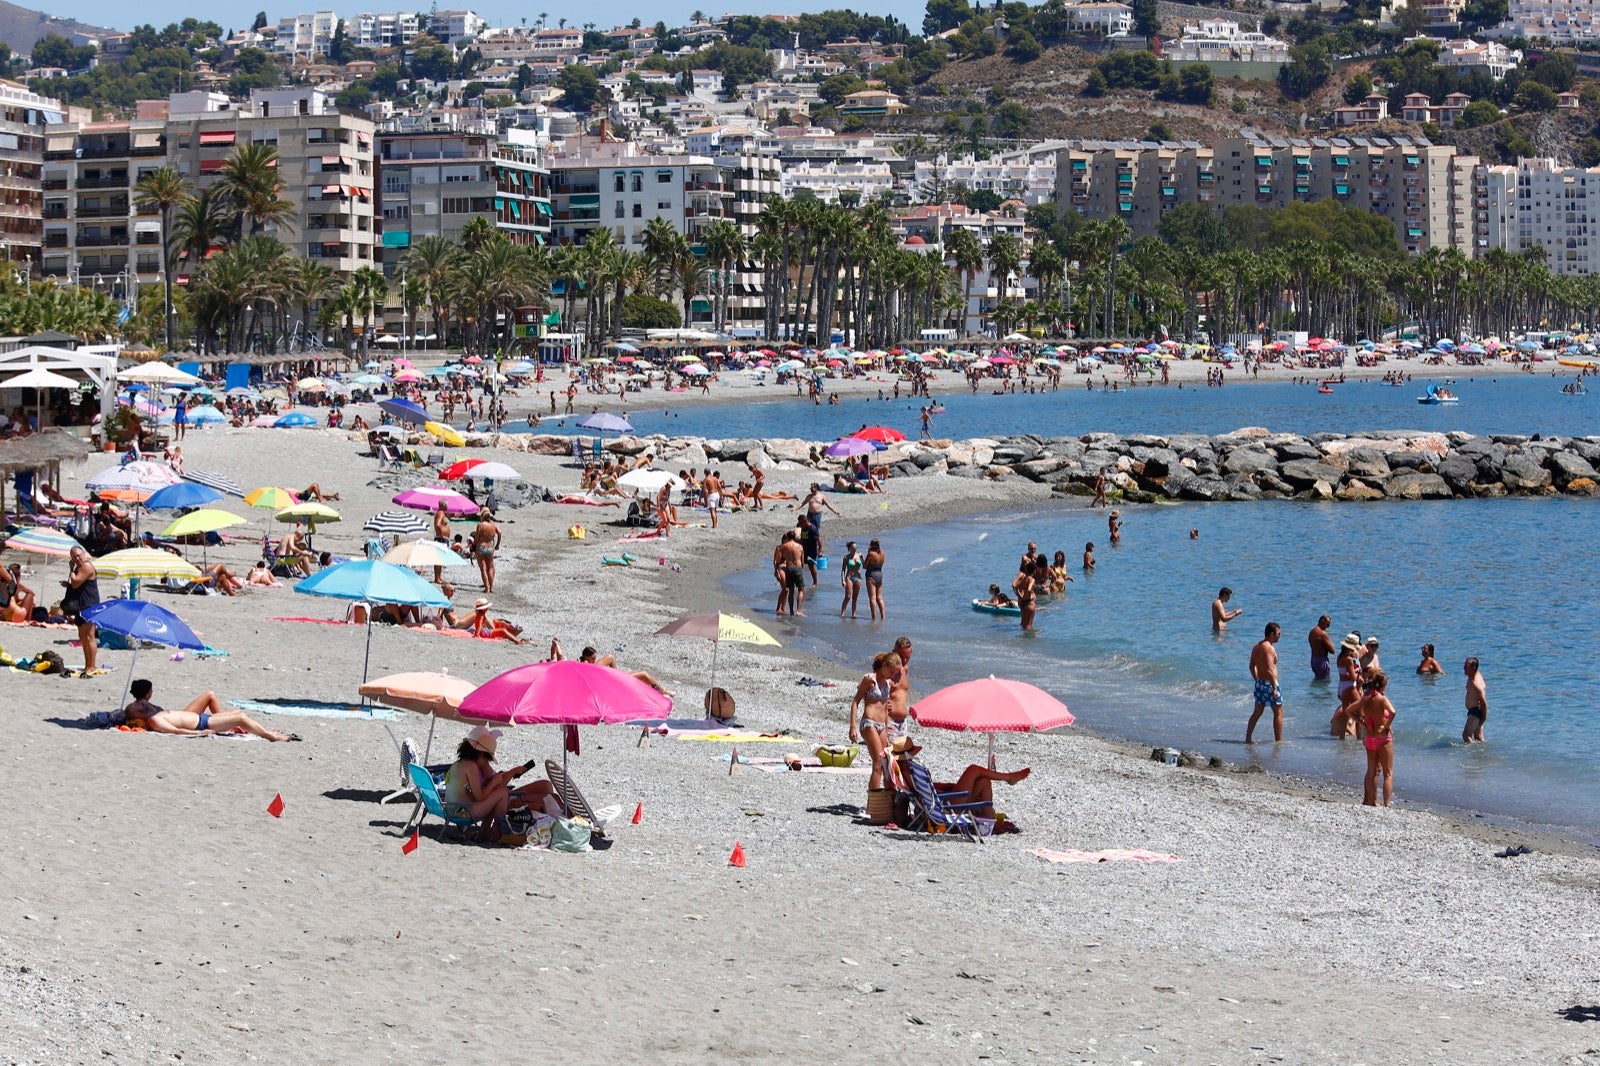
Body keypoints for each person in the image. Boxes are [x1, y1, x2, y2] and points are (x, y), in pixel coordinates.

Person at [889, 736, 1029, 821]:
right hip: (946, 807)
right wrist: (951, 790)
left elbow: (928, 789)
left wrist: (951, 786)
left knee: (983, 781)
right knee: (973, 769)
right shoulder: (909, 770)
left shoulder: (907, 770)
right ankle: (1008, 777)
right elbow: (927, 794)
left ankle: (988, 821)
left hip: (941, 801)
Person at [443, 726, 544, 841]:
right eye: (486, 760)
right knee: (502, 793)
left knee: (497, 794)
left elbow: (469, 793)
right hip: (463, 812)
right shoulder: (472, 767)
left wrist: (493, 782)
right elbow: (479, 796)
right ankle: (497, 829)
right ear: (480, 754)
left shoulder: (459, 764)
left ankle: (487, 829)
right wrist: (494, 782)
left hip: (452, 809)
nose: (485, 763)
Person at [125, 679, 298, 741]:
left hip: (187, 716)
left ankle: (228, 723)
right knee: (241, 716)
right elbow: (177, 731)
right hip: (200, 723)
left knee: (210, 695)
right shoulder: (152, 718)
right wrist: (200, 733)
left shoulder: (142, 710)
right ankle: (272, 736)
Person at [848, 650, 902, 790]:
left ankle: (886, 800)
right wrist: (852, 726)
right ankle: (872, 805)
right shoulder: (869, 680)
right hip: (869, 722)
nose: (893, 675)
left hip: (881, 726)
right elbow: (855, 702)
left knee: (886, 762)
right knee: (877, 762)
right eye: (891, 672)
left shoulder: (888, 683)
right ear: (884, 665)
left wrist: (887, 727)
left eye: (895, 673)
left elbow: (884, 709)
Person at [1355, 670, 1396, 807]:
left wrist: (1362, 722)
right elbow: (1393, 712)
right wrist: (1387, 726)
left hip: (1369, 738)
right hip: (1382, 738)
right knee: (1388, 773)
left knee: (1371, 771)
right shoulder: (1382, 699)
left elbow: (1349, 710)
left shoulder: (1366, 699)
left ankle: (1371, 800)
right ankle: (1386, 803)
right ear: (1382, 685)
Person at [61, 547, 103, 676]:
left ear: (84, 554)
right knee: (82, 636)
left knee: (89, 635)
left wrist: (71, 571)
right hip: (81, 604)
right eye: (74, 557)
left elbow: (75, 582)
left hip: (89, 605)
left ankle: (92, 665)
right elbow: (77, 585)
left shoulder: (87, 567)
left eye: (79, 556)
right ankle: (87, 665)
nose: (78, 559)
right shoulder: (78, 569)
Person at [574, 645, 671, 696]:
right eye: (593, 658)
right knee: (644, 675)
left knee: (642, 677)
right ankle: (662, 691)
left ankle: (658, 691)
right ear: (586, 657)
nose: (594, 660)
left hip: (614, 679)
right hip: (613, 684)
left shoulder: (586, 664)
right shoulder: (587, 665)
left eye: (595, 658)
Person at [1246, 622, 1282, 743]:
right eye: (1278, 633)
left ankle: (1248, 739)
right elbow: (1270, 669)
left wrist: (1257, 680)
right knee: (1278, 712)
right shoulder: (1268, 648)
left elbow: (1251, 666)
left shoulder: (1257, 646)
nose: (1279, 636)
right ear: (1272, 634)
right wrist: (1274, 688)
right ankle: (1279, 741)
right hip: (1269, 684)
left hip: (1261, 683)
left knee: (1257, 712)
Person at [1331, 633, 1364, 737]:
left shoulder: (1340, 657)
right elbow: (1353, 677)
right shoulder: (1349, 660)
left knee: (1346, 713)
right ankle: (1359, 738)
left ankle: (1342, 738)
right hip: (1350, 687)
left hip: (1341, 686)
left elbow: (1344, 673)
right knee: (1360, 712)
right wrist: (1361, 677)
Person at [887, 635, 913, 740]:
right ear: (893, 652)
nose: (904, 660)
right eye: (902, 657)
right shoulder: (887, 671)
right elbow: (868, 687)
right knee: (891, 754)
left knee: (903, 754)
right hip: (889, 720)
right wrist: (881, 703)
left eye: (908, 657)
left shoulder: (905, 669)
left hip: (903, 722)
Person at [774, 530, 805, 616]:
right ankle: (798, 610)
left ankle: (791, 611)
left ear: (787, 537)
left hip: (789, 568)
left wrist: (776, 570)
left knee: (791, 590)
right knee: (800, 589)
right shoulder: (800, 546)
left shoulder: (784, 546)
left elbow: (778, 560)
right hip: (797, 567)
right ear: (794, 537)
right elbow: (802, 561)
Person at [470, 508, 501, 594]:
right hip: (490, 547)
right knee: (490, 567)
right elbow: (500, 532)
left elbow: (476, 539)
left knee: (483, 568)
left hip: (481, 547)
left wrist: (473, 546)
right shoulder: (493, 525)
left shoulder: (480, 525)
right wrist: (497, 544)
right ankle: (491, 587)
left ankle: (486, 588)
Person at [1462, 657, 1488, 743]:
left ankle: (1473, 752)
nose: (1464, 668)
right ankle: (1480, 755)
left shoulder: (1476, 684)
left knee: (1466, 735)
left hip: (1475, 712)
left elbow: (1483, 702)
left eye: (1466, 666)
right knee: (1478, 735)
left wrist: (1483, 718)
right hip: (1475, 711)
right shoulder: (1473, 675)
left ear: (1473, 668)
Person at [839, 540, 864, 618]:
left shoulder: (859, 555)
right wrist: (843, 580)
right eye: (853, 548)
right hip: (849, 577)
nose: (855, 549)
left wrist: (862, 558)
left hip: (858, 577)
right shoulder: (846, 557)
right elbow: (843, 570)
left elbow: (865, 565)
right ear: (849, 549)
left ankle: (853, 614)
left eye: (856, 548)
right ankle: (842, 613)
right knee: (848, 596)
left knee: (855, 598)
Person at [863, 538, 886, 621]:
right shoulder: (882, 553)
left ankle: (874, 618)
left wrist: (862, 558)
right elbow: (882, 563)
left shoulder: (871, 554)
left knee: (872, 598)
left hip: (871, 575)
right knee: (879, 598)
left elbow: (864, 566)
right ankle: (883, 617)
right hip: (880, 574)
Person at [1012, 558, 1037, 632]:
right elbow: (1029, 589)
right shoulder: (1032, 579)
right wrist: (1031, 594)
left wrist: (1020, 596)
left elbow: (1016, 587)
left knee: (1023, 624)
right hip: (1029, 603)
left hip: (1024, 602)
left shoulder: (1024, 578)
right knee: (1029, 624)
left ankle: (1023, 640)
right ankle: (1030, 641)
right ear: (1034, 571)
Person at [1309, 615, 1335, 681]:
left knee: (1317, 680)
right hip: (1322, 661)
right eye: (1327, 624)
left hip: (1313, 660)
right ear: (1322, 622)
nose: (1328, 627)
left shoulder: (1311, 632)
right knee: (1325, 683)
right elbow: (1332, 651)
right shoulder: (1323, 634)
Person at [432, 500, 452, 584]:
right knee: (438, 558)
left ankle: (439, 577)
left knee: (441, 559)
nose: (448, 506)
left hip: (443, 538)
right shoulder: (440, 513)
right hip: (441, 539)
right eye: (447, 505)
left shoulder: (443, 513)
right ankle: (437, 578)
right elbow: (437, 524)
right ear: (444, 506)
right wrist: (441, 535)